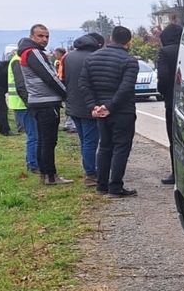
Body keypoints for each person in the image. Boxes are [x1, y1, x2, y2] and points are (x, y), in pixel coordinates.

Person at [80, 25, 140, 197]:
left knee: (105, 147)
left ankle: (101, 185)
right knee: (121, 148)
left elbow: (83, 84)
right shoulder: (129, 61)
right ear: (128, 42)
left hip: (99, 111)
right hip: (122, 111)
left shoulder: (91, 58)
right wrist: (110, 107)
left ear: (111, 39)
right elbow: (126, 87)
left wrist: (95, 106)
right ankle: (115, 186)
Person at [18, 24, 71, 185]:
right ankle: (50, 176)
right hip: (46, 102)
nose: (44, 39)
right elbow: (50, 77)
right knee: (48, 141)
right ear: (31, 37)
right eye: (40, 36)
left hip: (39, 101)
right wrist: (67, 94)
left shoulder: (28, 53)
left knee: (43, 140)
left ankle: (45, 175)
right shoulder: (34, 53)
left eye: (47, 36)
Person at [61, 33, 105, 187]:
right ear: (97, 44)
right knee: (91, 142)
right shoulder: (94, 57)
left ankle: (89, 169)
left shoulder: (67, 57)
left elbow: (62, 79)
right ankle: (91, 175)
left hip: (73, 105)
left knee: (84, 140)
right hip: (89, 105)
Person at [7, 38, 39, 173]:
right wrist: (30, 103)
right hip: (23, 104)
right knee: (34, 135)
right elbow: (21, 85)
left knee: (33, 134)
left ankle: (31, 161)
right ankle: (34, 164)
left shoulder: (15, 59)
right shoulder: (18, 61)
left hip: (20, 103)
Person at [155, 21, 182, 185]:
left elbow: (163, 76)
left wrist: (162, 91)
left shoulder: (165, 52)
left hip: (172, 100)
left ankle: (176, 173)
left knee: (174, 138)